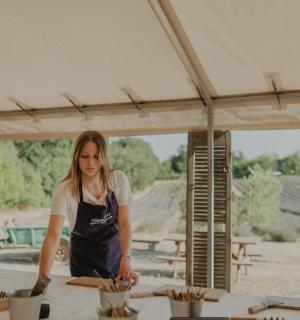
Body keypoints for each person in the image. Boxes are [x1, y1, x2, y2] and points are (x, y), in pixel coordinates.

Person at [39, 130, 139, 285]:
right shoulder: (65, 190)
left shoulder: (118, 180)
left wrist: (126, 258)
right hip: (83, 265)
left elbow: (125, 224)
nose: (90, 163)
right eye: (84, 156)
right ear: (76, 158)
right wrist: (42, 280)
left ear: (104, 157)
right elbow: (53, 237)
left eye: (96, 156)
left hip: (115, 261)